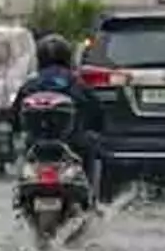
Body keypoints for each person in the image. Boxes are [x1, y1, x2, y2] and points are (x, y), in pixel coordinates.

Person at [12, 33, 104, 190]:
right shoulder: (76, 83)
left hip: (35, 143)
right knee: (94, 151)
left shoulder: (31, 84)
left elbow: (15, 115)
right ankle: (91, 191)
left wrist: (18, 130)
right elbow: (95, 110)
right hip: (74, 143)